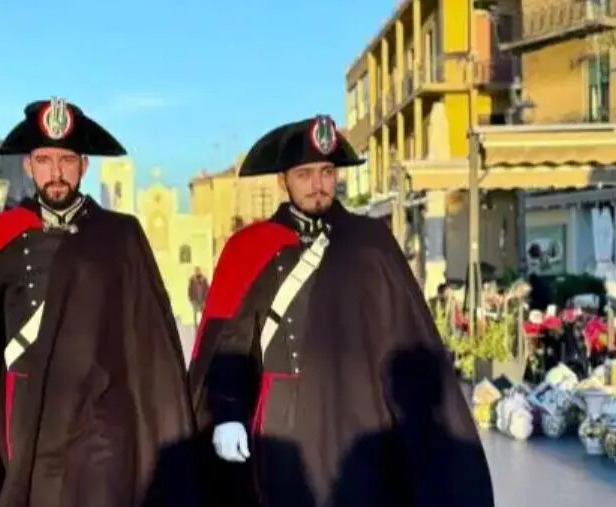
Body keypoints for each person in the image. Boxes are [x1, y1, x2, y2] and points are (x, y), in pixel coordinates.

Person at [188, 115, 494, 506]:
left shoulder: (371, 242)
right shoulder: (254, 246)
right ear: (283, 181)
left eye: (327, 172)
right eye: (305, 174)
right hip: (285, 420)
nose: (318, 185)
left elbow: (409, 335)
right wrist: (228, 412)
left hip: (362, 419)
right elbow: (231, 343)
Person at [0, 98, 197, 506]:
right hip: (25, 416)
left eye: (66, 160)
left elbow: (151, 341)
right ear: (28, 166)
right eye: (44, 160)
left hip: (102, 418)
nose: (55, 173)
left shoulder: (120, 235)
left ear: (84, 166)